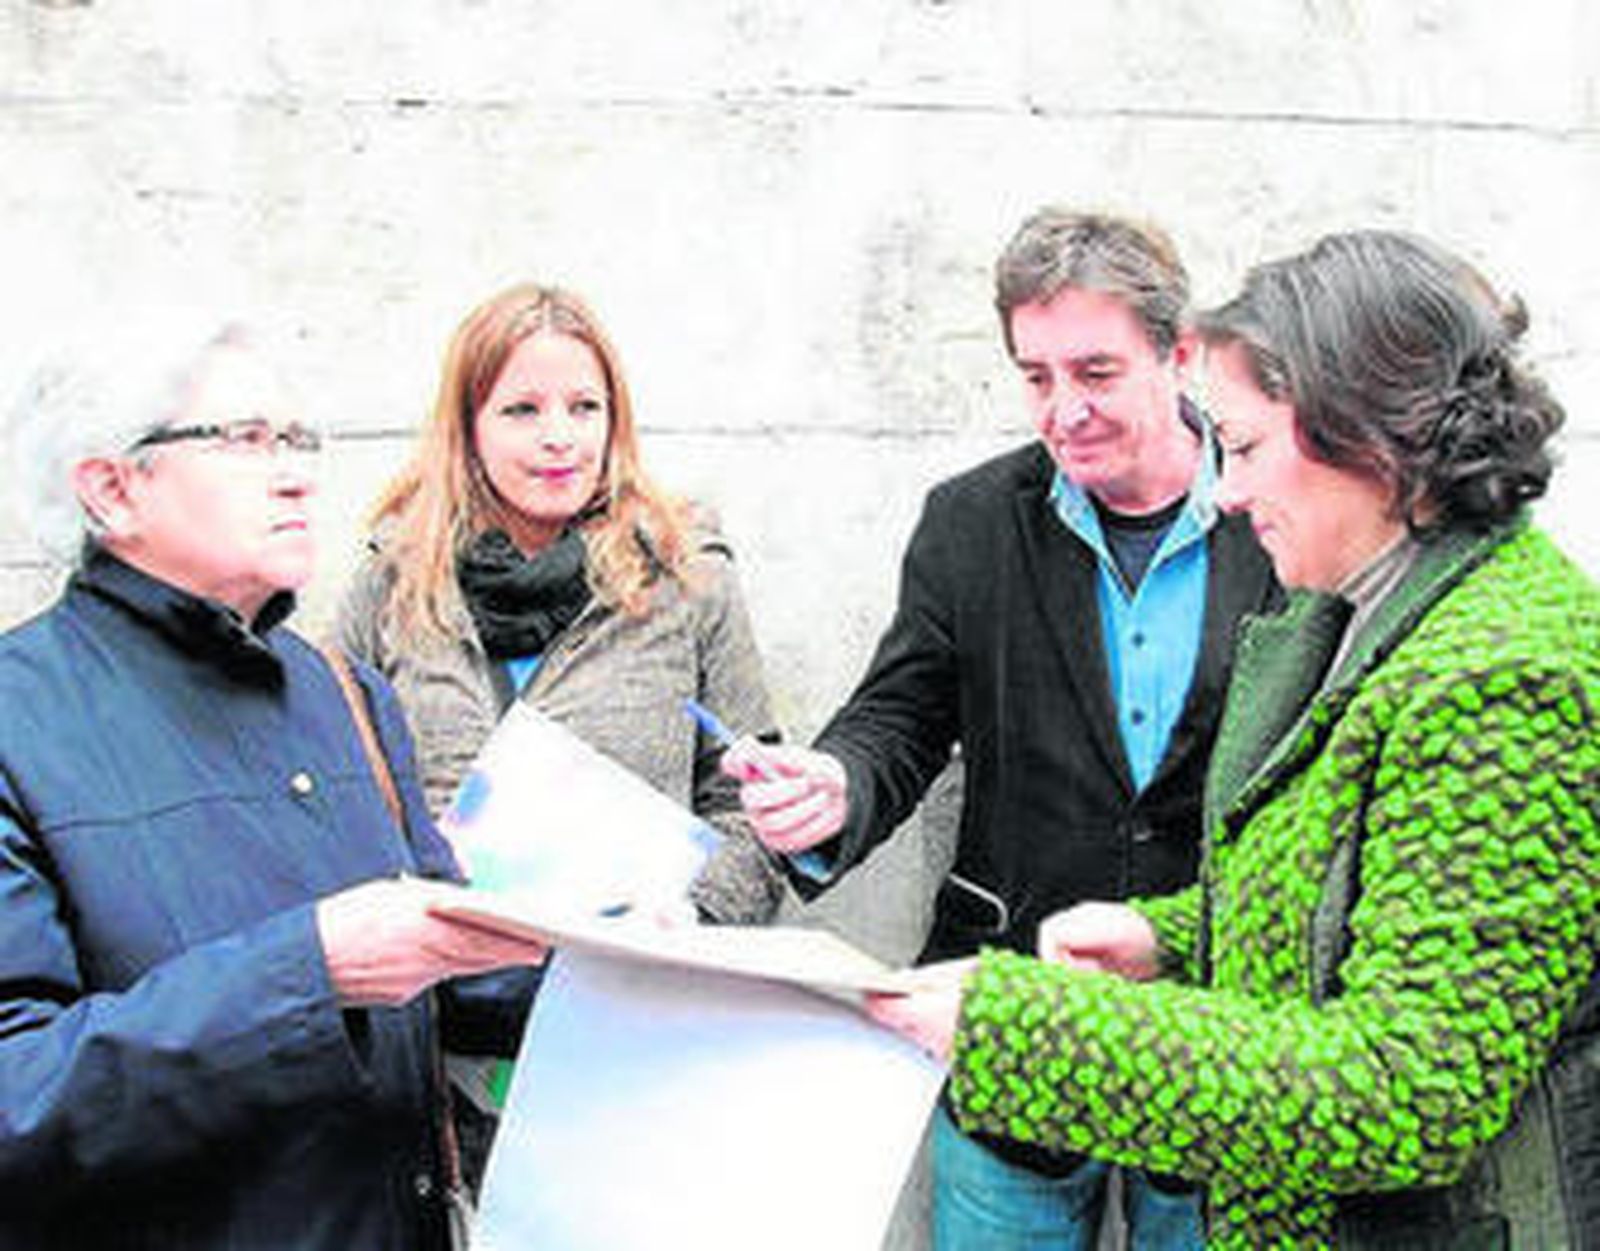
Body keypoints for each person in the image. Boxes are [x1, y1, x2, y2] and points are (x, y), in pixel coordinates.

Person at [868, 230, 1600, 1249]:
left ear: (1370, 440)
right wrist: (1174, 937)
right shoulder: (1376, 614)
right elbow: (1361, 903)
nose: (1227, 491)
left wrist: (1013, 1029)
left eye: (1246, 448)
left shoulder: (1501, 677)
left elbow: (1410, 1087)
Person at [725, 209, 1279, 1249]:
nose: (1062, 409)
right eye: (1035, 376)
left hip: (1220, 1029)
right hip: (1011, 1006)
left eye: (1096, 372)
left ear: (1180, 355)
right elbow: (899, 713)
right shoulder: (971, 521)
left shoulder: (1279, 514)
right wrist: (838, 784)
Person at [0, 310, 549, 1250]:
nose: (296, 473)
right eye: (246, 440)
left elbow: (443, 973)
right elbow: (17, 1096)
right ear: (112, 488)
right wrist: (308, 971)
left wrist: (606, 959)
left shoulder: (342, 691)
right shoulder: (20, 720)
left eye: (298, 439)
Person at [331, 282, 785, 1184]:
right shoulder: (389, 585)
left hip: (629, 1033)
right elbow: (326, 788)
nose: (560, 436)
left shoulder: (687, 576)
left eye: (585, 407)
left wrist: (691, 914)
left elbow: (752, 801)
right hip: (436, 1052)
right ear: (467, 425)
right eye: (524, 409)